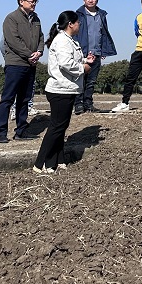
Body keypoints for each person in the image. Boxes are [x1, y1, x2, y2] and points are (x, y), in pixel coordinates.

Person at [34, 11, 94, 174]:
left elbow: (72, 59)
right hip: (60, 89)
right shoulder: (62, 40)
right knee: (56, 127)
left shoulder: (70, 40)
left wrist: (85, 60)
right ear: (70, 24)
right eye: (78, 22)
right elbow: (65, 63)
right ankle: (42, 163)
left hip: (67, 88)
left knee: (61, 126)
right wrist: (83, 68)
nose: (79, 25)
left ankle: (58, 159)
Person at [0, 0, 44, 144]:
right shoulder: (11, 18)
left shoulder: (36, 19)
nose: (34, 4)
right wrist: (29, 55)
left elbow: (41, 37)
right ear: (21, 1)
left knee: (24, 99)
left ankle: (21, 131)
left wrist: (39, 51)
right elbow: (13, 41)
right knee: (8, 98)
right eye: (32, 1)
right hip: (16, 64)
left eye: (35, 1)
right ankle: (1, 133)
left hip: (31, 65)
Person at [74, 0, 117, 115]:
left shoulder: (101, 15)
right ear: (84, 0)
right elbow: (75, 33)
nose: (91, 0)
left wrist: (103, 49)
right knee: (80, 79)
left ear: (97, 0)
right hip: (83, 53)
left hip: (96, 52)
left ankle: (88, 103)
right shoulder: (78, 15)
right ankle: (78, 104)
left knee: (91, 81)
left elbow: (103, 33)